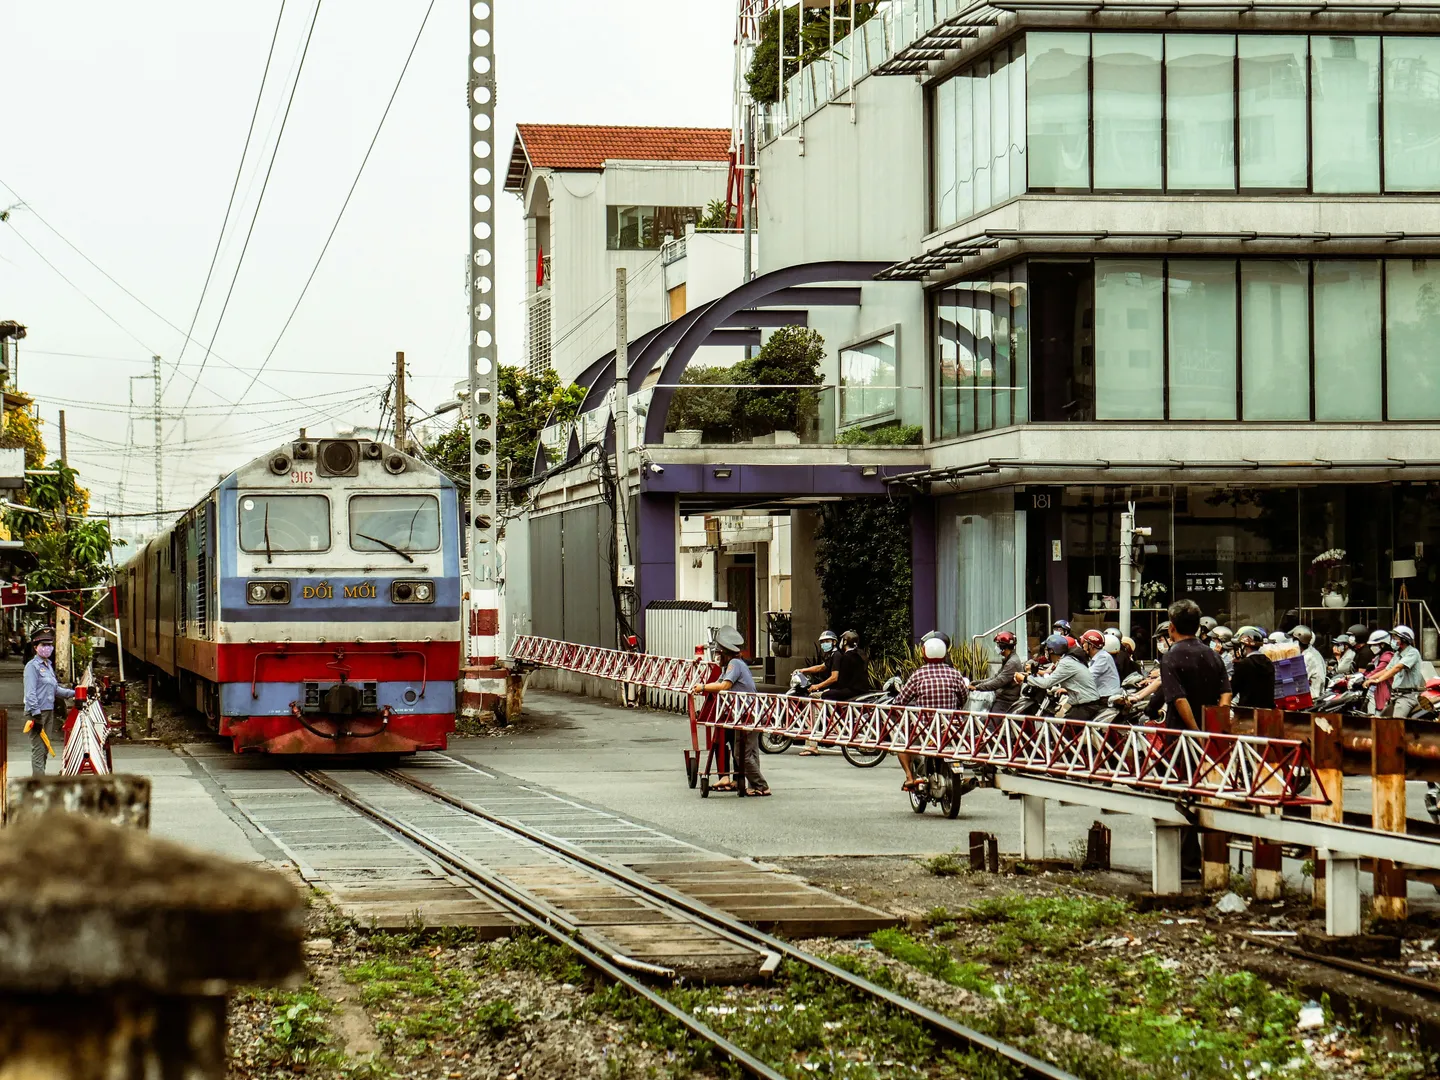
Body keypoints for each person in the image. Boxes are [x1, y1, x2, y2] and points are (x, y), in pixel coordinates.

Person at [691, 625, 770, 795]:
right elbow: (719, 682)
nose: (717, 657)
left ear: (726, 653)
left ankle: (761, 786)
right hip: (748, 714)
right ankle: (753, 785)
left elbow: (724, 686)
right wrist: (704, 686)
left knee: (742, 754)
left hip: (750, 714)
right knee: (750, 752)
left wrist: (702, 687)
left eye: (719, 654)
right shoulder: (731, 667)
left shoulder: (734, 663)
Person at [893, 632, 969, 792]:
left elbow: (901, 701)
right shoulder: (954, 674)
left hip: (925, 729)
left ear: (924, 653)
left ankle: (909, 777)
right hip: (951, 728)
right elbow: (964, 697)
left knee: (900, 743)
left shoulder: (918, 675)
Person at [1158, 600, 1232, 732]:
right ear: (1198, 627)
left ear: (1171, 627)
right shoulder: (1214, 655)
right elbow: (1226, 693)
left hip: (1182, 735)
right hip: (1210, 731)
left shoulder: (1170, 657)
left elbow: (1179, 699)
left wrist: (1196, 733)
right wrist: (1218, 725)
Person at [24, 626, 74, 776]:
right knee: (38, 749)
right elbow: (30, 692)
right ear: (35, 647)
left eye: (50, 645)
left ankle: (40, 779)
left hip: (48, 712)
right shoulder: (32, 667)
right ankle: (38, 783)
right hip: (37, 714)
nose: (48, 648)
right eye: (43, 645)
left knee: (45, 748)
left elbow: (55, 689)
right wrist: (36, 715)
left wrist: (76, 693)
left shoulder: (48, 666)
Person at [1016, 632, 1101, 720]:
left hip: (1087, 706)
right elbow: (1053, 677)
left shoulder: (1066, 663)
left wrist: (1025, 678)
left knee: (1064, 730)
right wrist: (1030, 676)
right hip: (1083, 703)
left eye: (1047, 649)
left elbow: (1047, 683)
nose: (1045, 653)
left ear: (1051, 650)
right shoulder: (1066, 661)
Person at [794, 630, 839, 756]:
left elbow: (834, 677)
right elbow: (821, 667)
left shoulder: (836, 656)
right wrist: (803, 670)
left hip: (833, 690)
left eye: (827, 641)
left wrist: (817, 686)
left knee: (812, 704)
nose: (825, 644)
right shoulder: (831, 656)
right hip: (831, 690)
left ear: (834, 642)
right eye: (823, 642)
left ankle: (812, 745)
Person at [1365, 624, 1424, 717]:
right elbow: (1386, 670)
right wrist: (1368, 679)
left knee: (1395, 724)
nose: (1393, 640)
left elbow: (1397, 668)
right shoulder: (1397, 654)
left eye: (1395, 638)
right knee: (1382, 720)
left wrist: (1377, 680)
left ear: (1404, 640)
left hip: (1407, 697)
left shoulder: (1413, 652)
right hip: (1396, 696)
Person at [969, 630, 1024, 713]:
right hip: (1001, 697)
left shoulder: (1012, 663)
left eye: (998, 645)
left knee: (990, 724)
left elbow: (998, 682)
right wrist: (976, 683)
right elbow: (996, 677)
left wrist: (977, 687)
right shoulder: (1009, 659)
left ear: (1003, 647)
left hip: (1006, 701)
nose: (996, 647)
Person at [813, 630, 870, 701]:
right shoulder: (861, 654)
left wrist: (830, 689)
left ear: (845, 642)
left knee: (826, 695)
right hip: (863, 689)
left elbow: (842, 680)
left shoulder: (846, 656)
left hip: (853, 690)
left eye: (842, 640)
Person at [1230, 626, 1275, 709]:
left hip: (1247, 713)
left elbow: (1232, 690)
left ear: (1244, 646)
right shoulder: (1269, 662)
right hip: (1267, 712)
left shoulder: (1244, 664)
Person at [1080, 629, 1121, 700]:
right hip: (1099, 695)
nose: (1083, 645)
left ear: (1091, 645)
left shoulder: (1103, 658)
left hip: (1106, 697)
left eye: (1084, 643)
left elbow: (1087, 677)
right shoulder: (1096, 657)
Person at [1290, 625, 1327, 702]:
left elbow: (1299, 680)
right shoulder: (1312, 652)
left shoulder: (1308, 657)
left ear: (1297, 642)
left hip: (1312, 696)